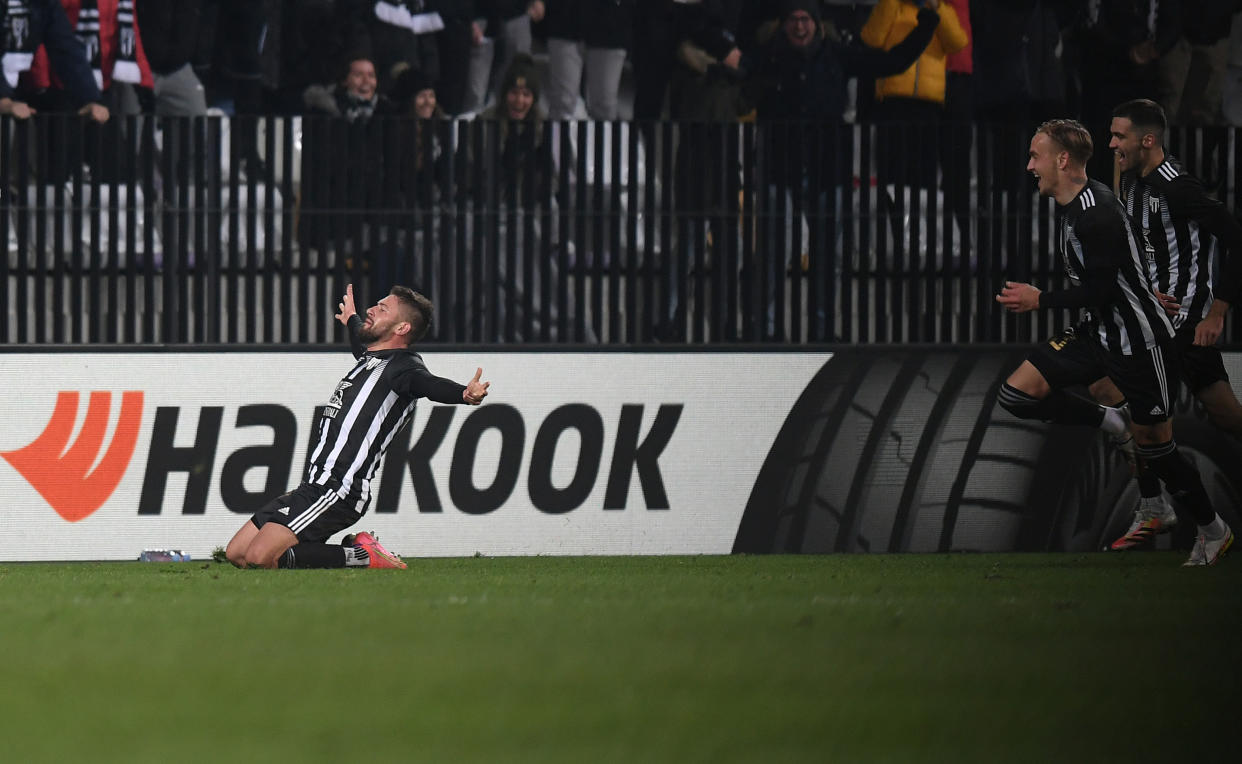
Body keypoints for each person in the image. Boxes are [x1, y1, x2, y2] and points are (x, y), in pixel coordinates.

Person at [994, 118, 1233, 567]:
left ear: (1062, 160)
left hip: (1140, 342)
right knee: (1017, 393)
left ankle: (1212, 529)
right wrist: (1143, 282)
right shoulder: (1082, 204)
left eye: (1035, 156)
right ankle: (1115, 427)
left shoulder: (1095, 211)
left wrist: (1039, 298)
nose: (1029, 166)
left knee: (1159, 448)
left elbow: (1101, 288)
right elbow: (1123, 261)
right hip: (1099, 332)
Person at [225, 284, 491, 569]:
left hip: (339, 490)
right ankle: (335, 551)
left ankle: (362, 555)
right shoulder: (370, 358)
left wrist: (463, 393)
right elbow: (359, 339)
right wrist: (352, 317)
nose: (371, 309)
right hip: (313, 486)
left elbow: (428, 385)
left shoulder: (404, 368)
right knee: (237, 553)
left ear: (402, 328)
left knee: (259, 558)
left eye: (382, 308)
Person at [1095, 98, 1242, 551]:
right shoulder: (1131, 181)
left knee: (1125, 403)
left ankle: (1160, 509)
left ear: (1148, 139)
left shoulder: (1177, 187)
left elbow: (1234, 238)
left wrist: (1217, 313)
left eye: (1120, 136)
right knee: (1222, 415)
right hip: (1155, 319)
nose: (1112, 143)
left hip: (1183, 324)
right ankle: (1158, 507)